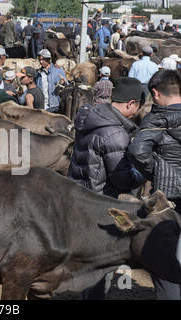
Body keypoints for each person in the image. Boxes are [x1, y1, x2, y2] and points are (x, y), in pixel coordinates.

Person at [68, 77, 146, 299]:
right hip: (99, 203)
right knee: (99, 265)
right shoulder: (115, 133)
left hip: (78, 196)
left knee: (84, 262)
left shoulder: (90, 117)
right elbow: (122, 179)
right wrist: (142, 172)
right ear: (131, 103)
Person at [128, 69, 181, 300]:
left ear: (155, 94)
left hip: (168, 200)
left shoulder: (156, 118)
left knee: (166, 260)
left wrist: (158, 169)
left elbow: (138, 153)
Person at [36, 49, 68, 113]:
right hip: (42, 105)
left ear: (49, 59)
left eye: (43, 60)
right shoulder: (39, 73)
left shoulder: (58, 70)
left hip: (55, 105)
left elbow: (67, 85)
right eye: (40, 60)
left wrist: (63, 82)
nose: (41, 62)